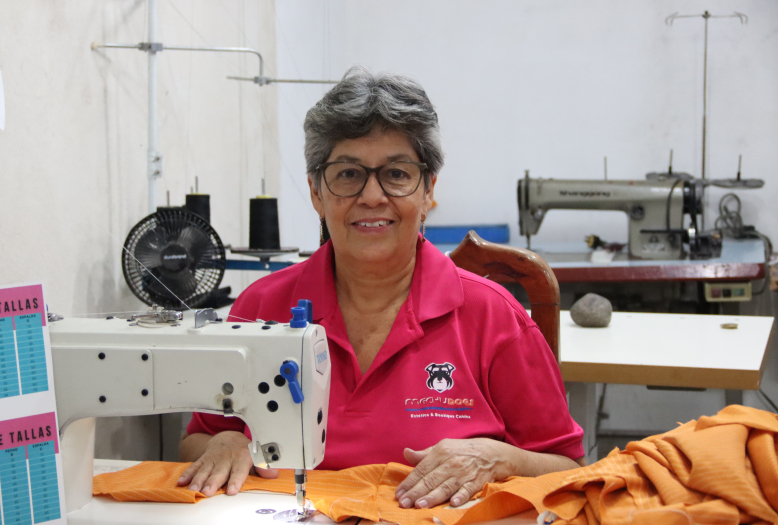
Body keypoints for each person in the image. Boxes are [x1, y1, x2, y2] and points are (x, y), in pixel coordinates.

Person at [178, 66, 585, 510]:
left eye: (396, 174)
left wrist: (498, 458)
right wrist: (222, 446)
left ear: (428, 191)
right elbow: (200, 438)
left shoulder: (493, 317)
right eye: (348, 174)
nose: (372, 196)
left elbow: (569, 468)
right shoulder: (262, 307)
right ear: (316, 192)